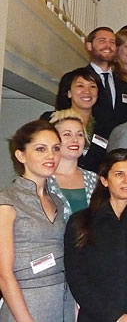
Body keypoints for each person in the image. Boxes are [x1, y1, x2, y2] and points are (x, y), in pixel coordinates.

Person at [64, 149, 127, 322]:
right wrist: (114, 317)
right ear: (104, 180)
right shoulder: (81, 222)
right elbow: (77, 277)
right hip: (97, 317)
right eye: (119, 174)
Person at [0, 120, 75, 322]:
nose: (51, 156)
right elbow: (4, 274)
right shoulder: (7, 201)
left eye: (56, 149)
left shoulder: (58, 200)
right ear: (20, 155)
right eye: (41, 149)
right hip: (26, 304)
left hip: (63, 300)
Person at [59, 27, 127, 147]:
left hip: (118, 153)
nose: (108, 45)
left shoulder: (126, 87)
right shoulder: (72, 79)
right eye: (102, 41)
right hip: (85, 152)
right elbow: (62, 117)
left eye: (112, 42)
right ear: (89, 46)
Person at [47, 110, 98, 220]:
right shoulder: (42, 180)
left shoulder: (94, 179)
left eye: (79, 134)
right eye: (67, 134)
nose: (74, 139)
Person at [50, 67, 104, 171]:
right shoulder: (52, 120)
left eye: (92, 86)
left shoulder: (105, 126)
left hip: (93, 183)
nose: (87, 91)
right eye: (80, 86)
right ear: (69, 92)